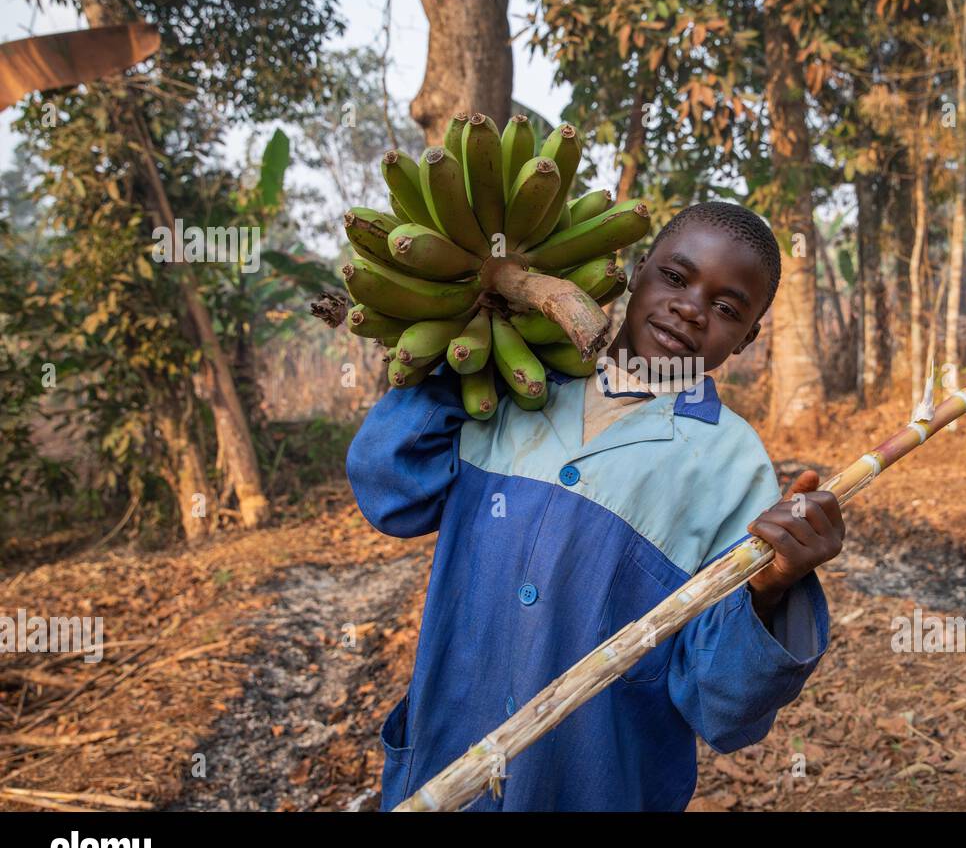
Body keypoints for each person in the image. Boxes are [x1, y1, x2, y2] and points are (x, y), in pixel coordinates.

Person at [347, 201, 845, 811]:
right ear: (637, 271)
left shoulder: (731, 466)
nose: (690, 308)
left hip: (594, 786)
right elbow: (390, 494)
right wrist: (458, 346)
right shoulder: (511, 382)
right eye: (676, 277)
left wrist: (771, 589)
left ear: (749, 336)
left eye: (725, 309)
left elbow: (722, 707)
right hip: (441, 761)